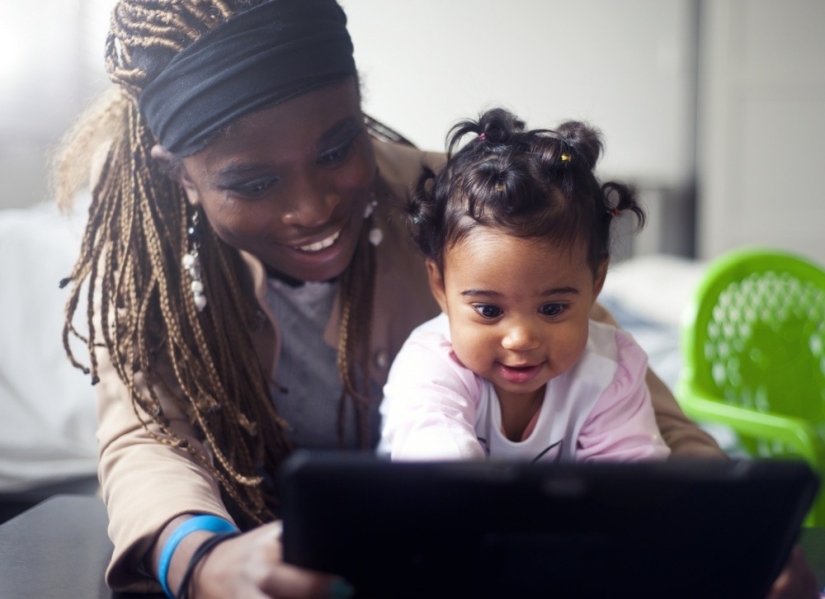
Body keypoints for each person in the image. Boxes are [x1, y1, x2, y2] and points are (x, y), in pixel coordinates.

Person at [49, 1, 814, 598]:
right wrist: (204, 559)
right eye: (252, 182)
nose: (312, 206)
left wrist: (736, 538)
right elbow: (145, 440)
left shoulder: (457, 213)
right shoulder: (147, 273)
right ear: (180, 173)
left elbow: (626, 393)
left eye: (336, 147)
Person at [381, 109, 671, 463]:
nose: (520, 338)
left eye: (552, 309)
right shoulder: (429, 371)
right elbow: (443, 488)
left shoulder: (608, 369)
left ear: (596, 283)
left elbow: (632, 489)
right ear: (439, 286)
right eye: (489, 311)